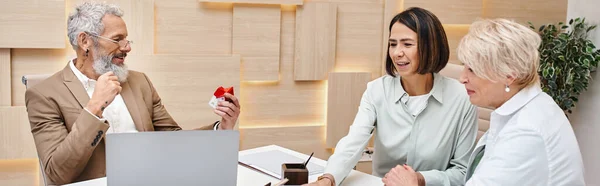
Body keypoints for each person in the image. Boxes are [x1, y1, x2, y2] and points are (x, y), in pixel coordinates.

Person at [24, 2, 241, 185]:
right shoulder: (43, 94)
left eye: (127, 39)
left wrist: (219, 128)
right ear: (85, 41)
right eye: (117, 39)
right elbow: (56, 174)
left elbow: (172, 139)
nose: (127, 47)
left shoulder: (139, 82)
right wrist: (94, 108)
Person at [383, 18, 586, 186]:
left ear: (508, 75)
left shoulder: (527, 132)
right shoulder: (531, 106)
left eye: (472, 69)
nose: (462, 77)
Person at [304, 7, 478, 186]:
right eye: (393, 44)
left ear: (431, 47)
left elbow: (463, 172)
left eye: (407, 44)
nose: (396, 53)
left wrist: (419, 179)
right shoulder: (376, 91)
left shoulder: (463, 98)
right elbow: (353, 142)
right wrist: (327, 179)